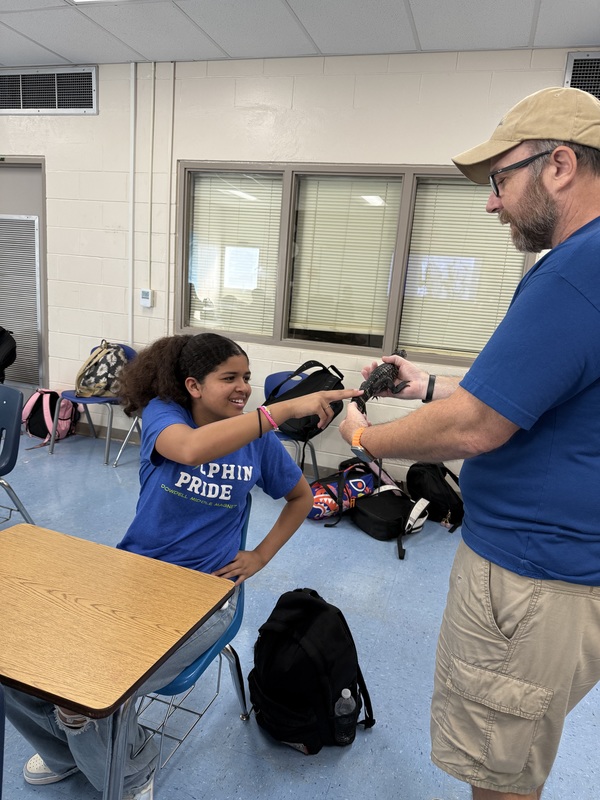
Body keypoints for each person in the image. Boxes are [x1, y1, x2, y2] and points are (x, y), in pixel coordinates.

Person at [339, 86, 600, 800]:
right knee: (513, 750)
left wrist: (365, 436)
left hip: (532, 578)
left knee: (498, 769)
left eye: (499, 179)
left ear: (559, 166)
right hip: (572, 570)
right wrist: (428, 387)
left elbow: (476, 426)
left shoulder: (576, 270)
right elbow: (532, 397)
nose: (491, 203)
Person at [4, 332, 361, 800]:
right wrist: (284, 409)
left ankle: (131, 773)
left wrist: (260, 556)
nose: (243, 387)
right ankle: (66, 754)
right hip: (134, 576)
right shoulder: (164, 416)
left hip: (207, 597)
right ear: (193, 386)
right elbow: (191, 449)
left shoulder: (257, 442)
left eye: (247, 377)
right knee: (18, 665)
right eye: (229, 378)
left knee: (90, 691)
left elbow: (300, 497)